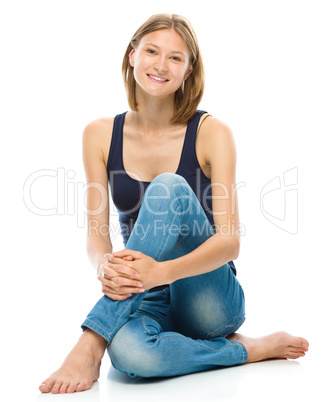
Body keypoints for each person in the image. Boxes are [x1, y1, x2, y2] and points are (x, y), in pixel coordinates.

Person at [39, 13, 309, 394]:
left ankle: (90, 341)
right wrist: (105, 267)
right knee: (131, 357)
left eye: (175, 58)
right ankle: (245, 350)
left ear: (189, 70)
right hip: (143, 295)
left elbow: (230, 242)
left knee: (167, 188)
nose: (160, 65)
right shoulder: (98, 135)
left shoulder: (211, 132)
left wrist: (161, 273)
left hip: (208, 299)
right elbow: (97, 236)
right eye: (151, 51)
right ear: (132, 55)